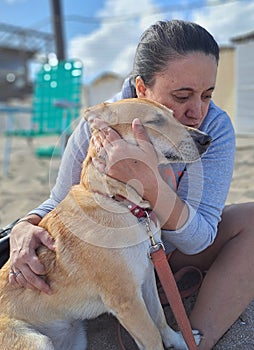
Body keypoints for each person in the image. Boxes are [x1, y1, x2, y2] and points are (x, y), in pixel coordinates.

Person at [9, 19, 254, 350]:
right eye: (181, 96)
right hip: (102, 269)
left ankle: (192, 339)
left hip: (172, 249)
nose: (197, 111)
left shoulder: (215, 129)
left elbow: (199, 238)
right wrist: (24, 226)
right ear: (142, 89)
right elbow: (61, 201)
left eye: (207, 95)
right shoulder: (102, 123)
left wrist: (150, 186)